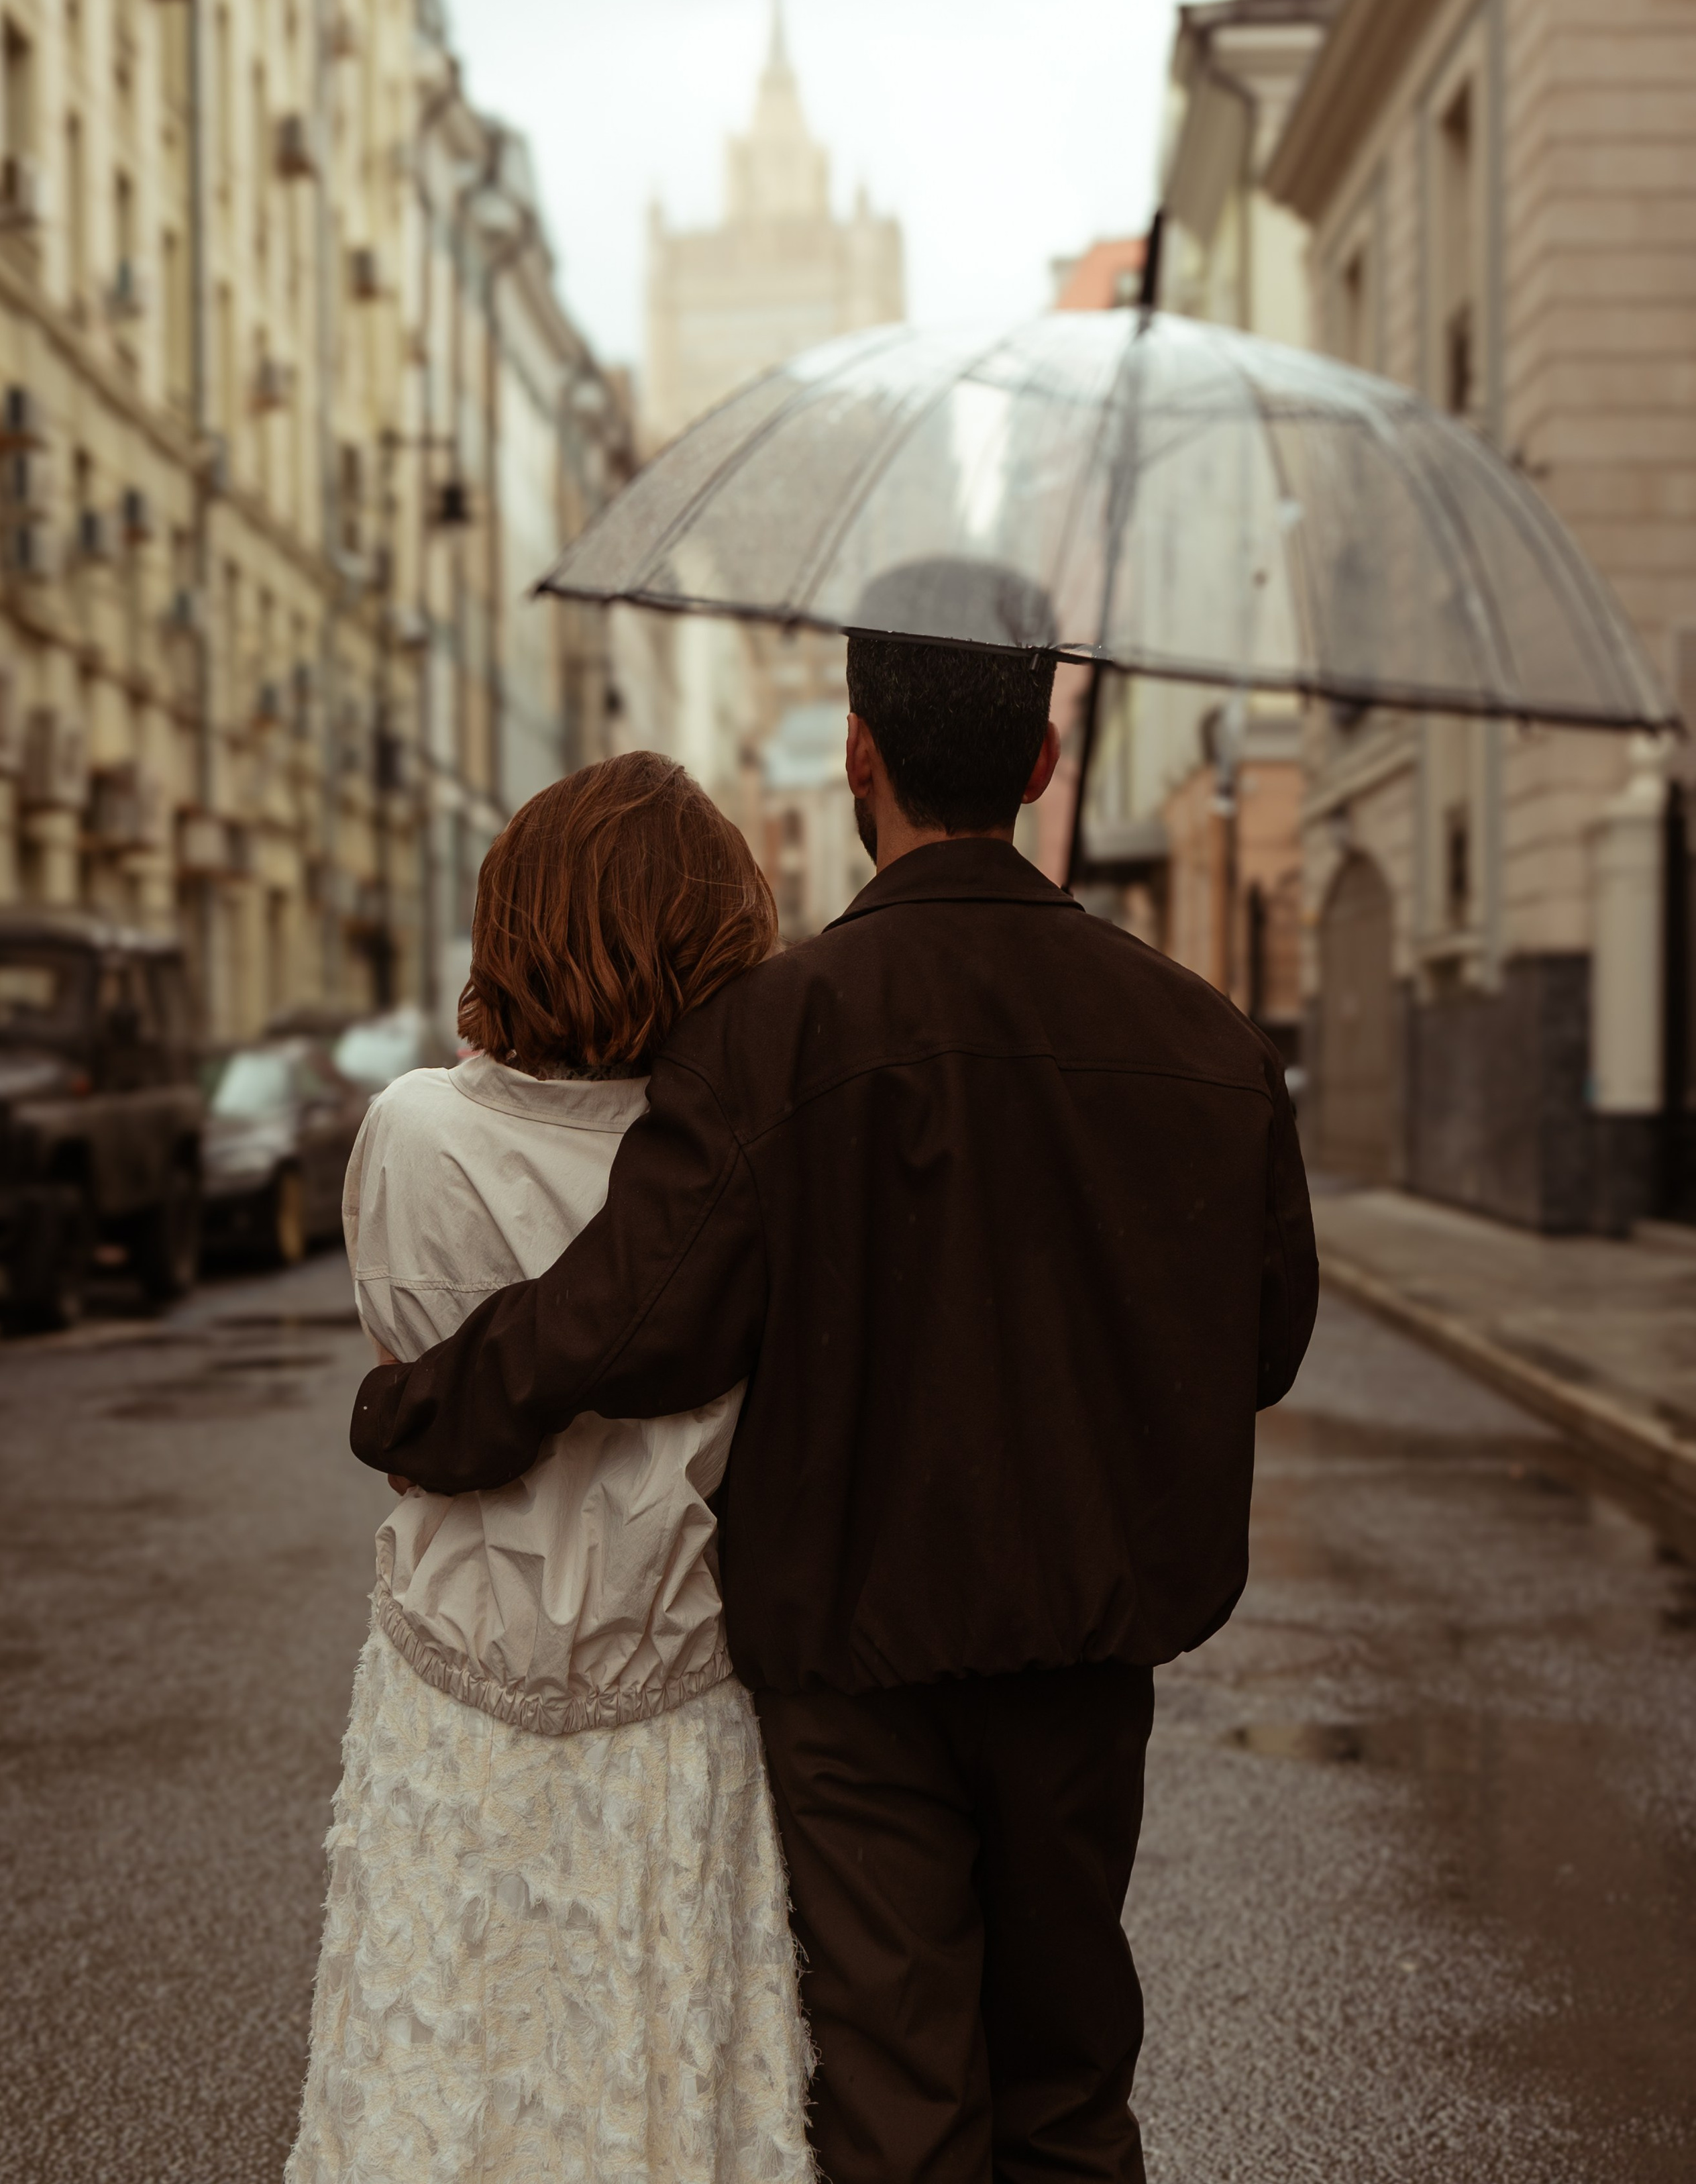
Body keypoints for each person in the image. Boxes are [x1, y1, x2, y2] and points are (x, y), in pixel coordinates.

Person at [353, 587, 1320, 2184]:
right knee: (1070, 2081)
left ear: (856, 753)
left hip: (853, 1660)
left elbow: (628, 1319)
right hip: (1086, 1643)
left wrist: (412, 1410)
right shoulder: (1205, 1038)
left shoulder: (778, 1030)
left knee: (897, 2084)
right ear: (1044, 752)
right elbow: (1261, 1343)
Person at [286, 753, 813, 2184]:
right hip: (673, 1694)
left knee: (440, 2063)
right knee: (658, 2079)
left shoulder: (414, 1135)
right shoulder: (732, 1160)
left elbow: (418, 1381)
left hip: (461, 1688)